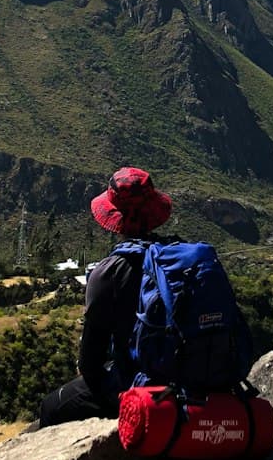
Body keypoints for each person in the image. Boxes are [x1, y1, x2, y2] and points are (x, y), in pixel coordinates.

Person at [37, 166, 173, 428]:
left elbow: (90, 364)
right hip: (189, 377)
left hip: (142, 385)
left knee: (51, 407)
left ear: (114, 219)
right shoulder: (177, 258)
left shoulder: (109, 272)